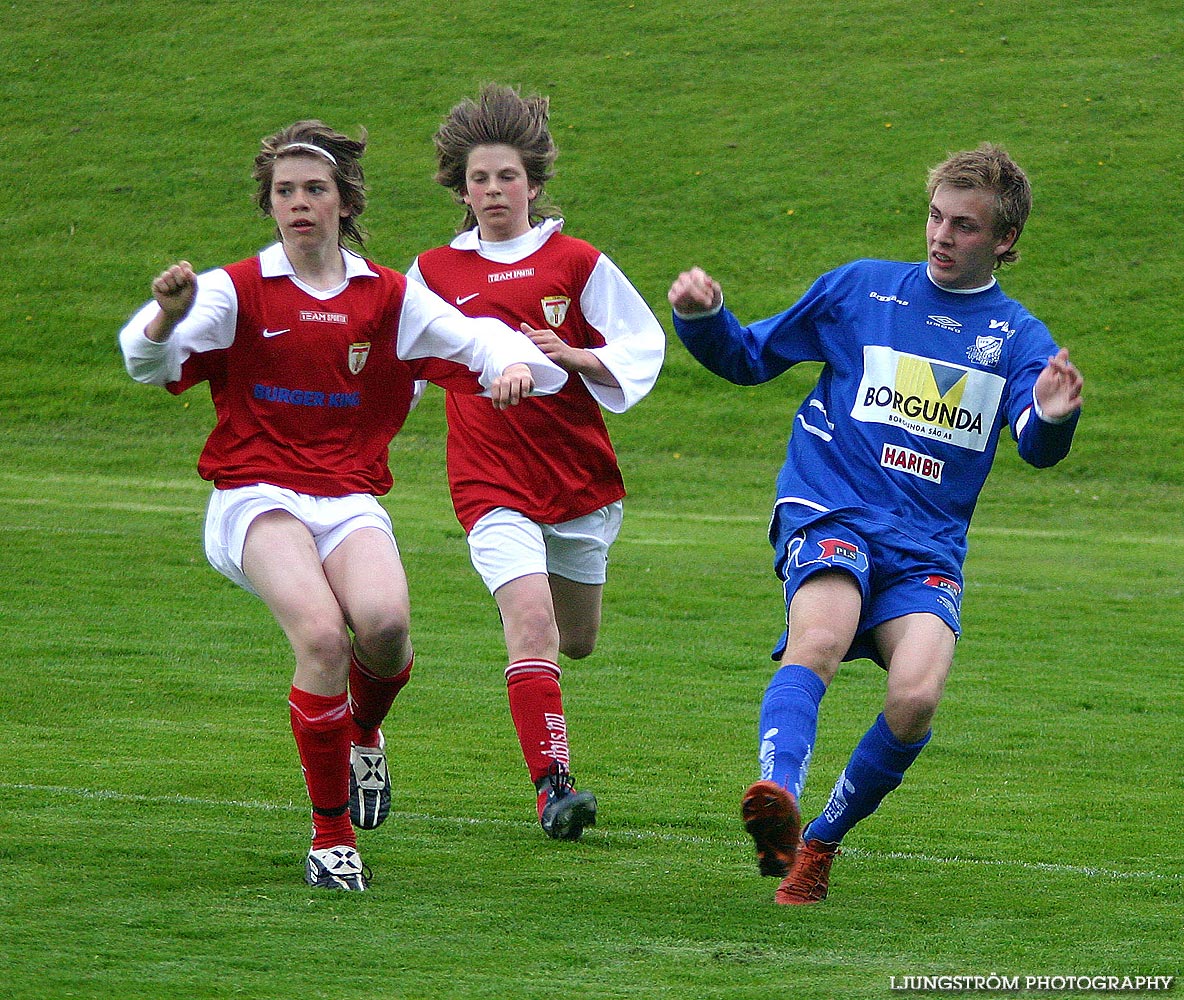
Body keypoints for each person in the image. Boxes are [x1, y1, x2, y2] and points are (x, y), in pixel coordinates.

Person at [119, 120, 567, 891]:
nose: (299, 203)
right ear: (270, 204)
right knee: (325, 638)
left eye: (314, 190)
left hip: (347, 495)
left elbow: (478, 338)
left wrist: (509, 367)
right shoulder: (234, 289)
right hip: (254, 494)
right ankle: (331, 838)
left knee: (386, 629)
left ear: (343, 201)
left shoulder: (386, 295)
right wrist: (165, 314)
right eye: (284, 191)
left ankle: (363, 733)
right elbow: (143, 358)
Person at [668, 143, 1083, 904]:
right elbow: (750, 356)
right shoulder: (862, 290)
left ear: (1004, 242)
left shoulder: (1017, 338)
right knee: (820, 637)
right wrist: (703, 320)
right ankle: (777, 796)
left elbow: (1034, 438)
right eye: (935, 217)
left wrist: (1054, 415)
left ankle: (818, 843)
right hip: (833, 507)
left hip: (925, 546)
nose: (941, 236)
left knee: (916, 697)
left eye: (964, 226)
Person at [407, 84, 665, 840]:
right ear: (460, 185)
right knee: (531, 624)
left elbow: (642, 348)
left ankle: (551, 738)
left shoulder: (576, 261)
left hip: (577, 479)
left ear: (534, 182)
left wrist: (575, 354)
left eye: (507, 177)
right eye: (479, 178)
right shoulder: (433, 274)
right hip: (489, 481)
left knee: (574, 638)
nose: (493, 191)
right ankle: (555, 789)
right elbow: (403, 367)